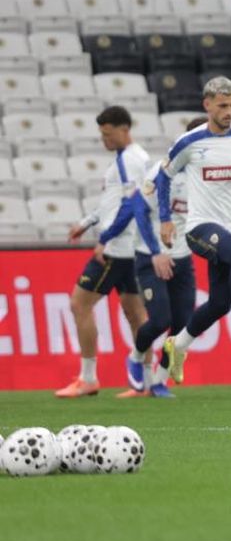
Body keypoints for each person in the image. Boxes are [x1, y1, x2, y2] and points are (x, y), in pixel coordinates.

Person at [159, 77, 231, 384]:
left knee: (219, 303)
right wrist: (165, 219)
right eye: (223, 105)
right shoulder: (190, 143)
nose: (229, 112)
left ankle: (179, 344)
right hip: (200, 227)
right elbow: (163, 177)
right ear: (207, 105)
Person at [55, 106, 151, 398]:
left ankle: (88, 378)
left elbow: (131, 204)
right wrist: (86, 223)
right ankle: (145, 382)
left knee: (79, 304)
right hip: (130, 248)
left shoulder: (132, 161)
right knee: (136, 313)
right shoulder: (127, 159)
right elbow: (112, 202)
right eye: (101, 135)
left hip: (117, 250)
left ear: (124, 129)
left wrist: (105, 237)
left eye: (108, 134)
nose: (104, 141)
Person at [120, 116, 208, 398]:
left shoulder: (209, 179)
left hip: (183, 259)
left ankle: (159, 381)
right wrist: (157, 252)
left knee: (183, 328)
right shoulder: (163, 170)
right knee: (159, 320)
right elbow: (139, 211)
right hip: (151, 257)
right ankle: (135, 357)